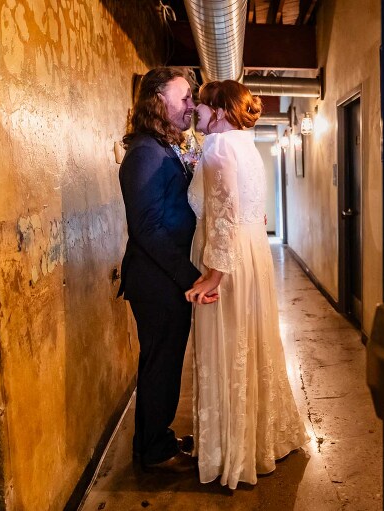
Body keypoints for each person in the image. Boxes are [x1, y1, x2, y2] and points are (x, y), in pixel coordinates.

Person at [185, 80, 310, 488]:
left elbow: (225, 213)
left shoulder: (219, 147)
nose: (197, 111)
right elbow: (250, 213)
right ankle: (257, 436)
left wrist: (214, 275)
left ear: (220, 111)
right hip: (251, 251)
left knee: (229, 344)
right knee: (250, 341)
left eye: (202, 106)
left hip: (229, 261)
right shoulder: (245, 145)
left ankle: (232, 450)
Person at [118, 67, 214, 473]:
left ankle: (153, 440)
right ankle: (154, 449)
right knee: (162, 365)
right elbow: (147, 227)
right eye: (185, 97)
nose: (191, 105)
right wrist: (192, 276)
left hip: (166, 275)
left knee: (164, 362)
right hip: (157, 279)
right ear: (158, 99)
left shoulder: (164, 146)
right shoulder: (145, 152)